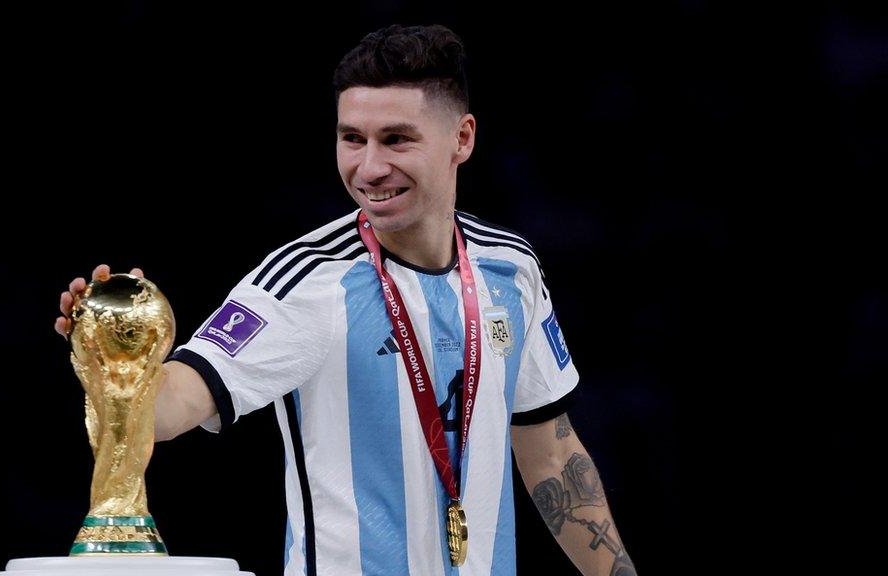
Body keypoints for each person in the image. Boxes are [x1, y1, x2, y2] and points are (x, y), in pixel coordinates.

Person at [55, 24, 636, 576]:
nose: (370, 167)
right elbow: (171, 406)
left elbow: (554, 458)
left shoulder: (512, 269)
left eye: (396, 140)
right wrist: (117, 359)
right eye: (351, 139)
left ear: (462, 138)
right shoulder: (305, 281)